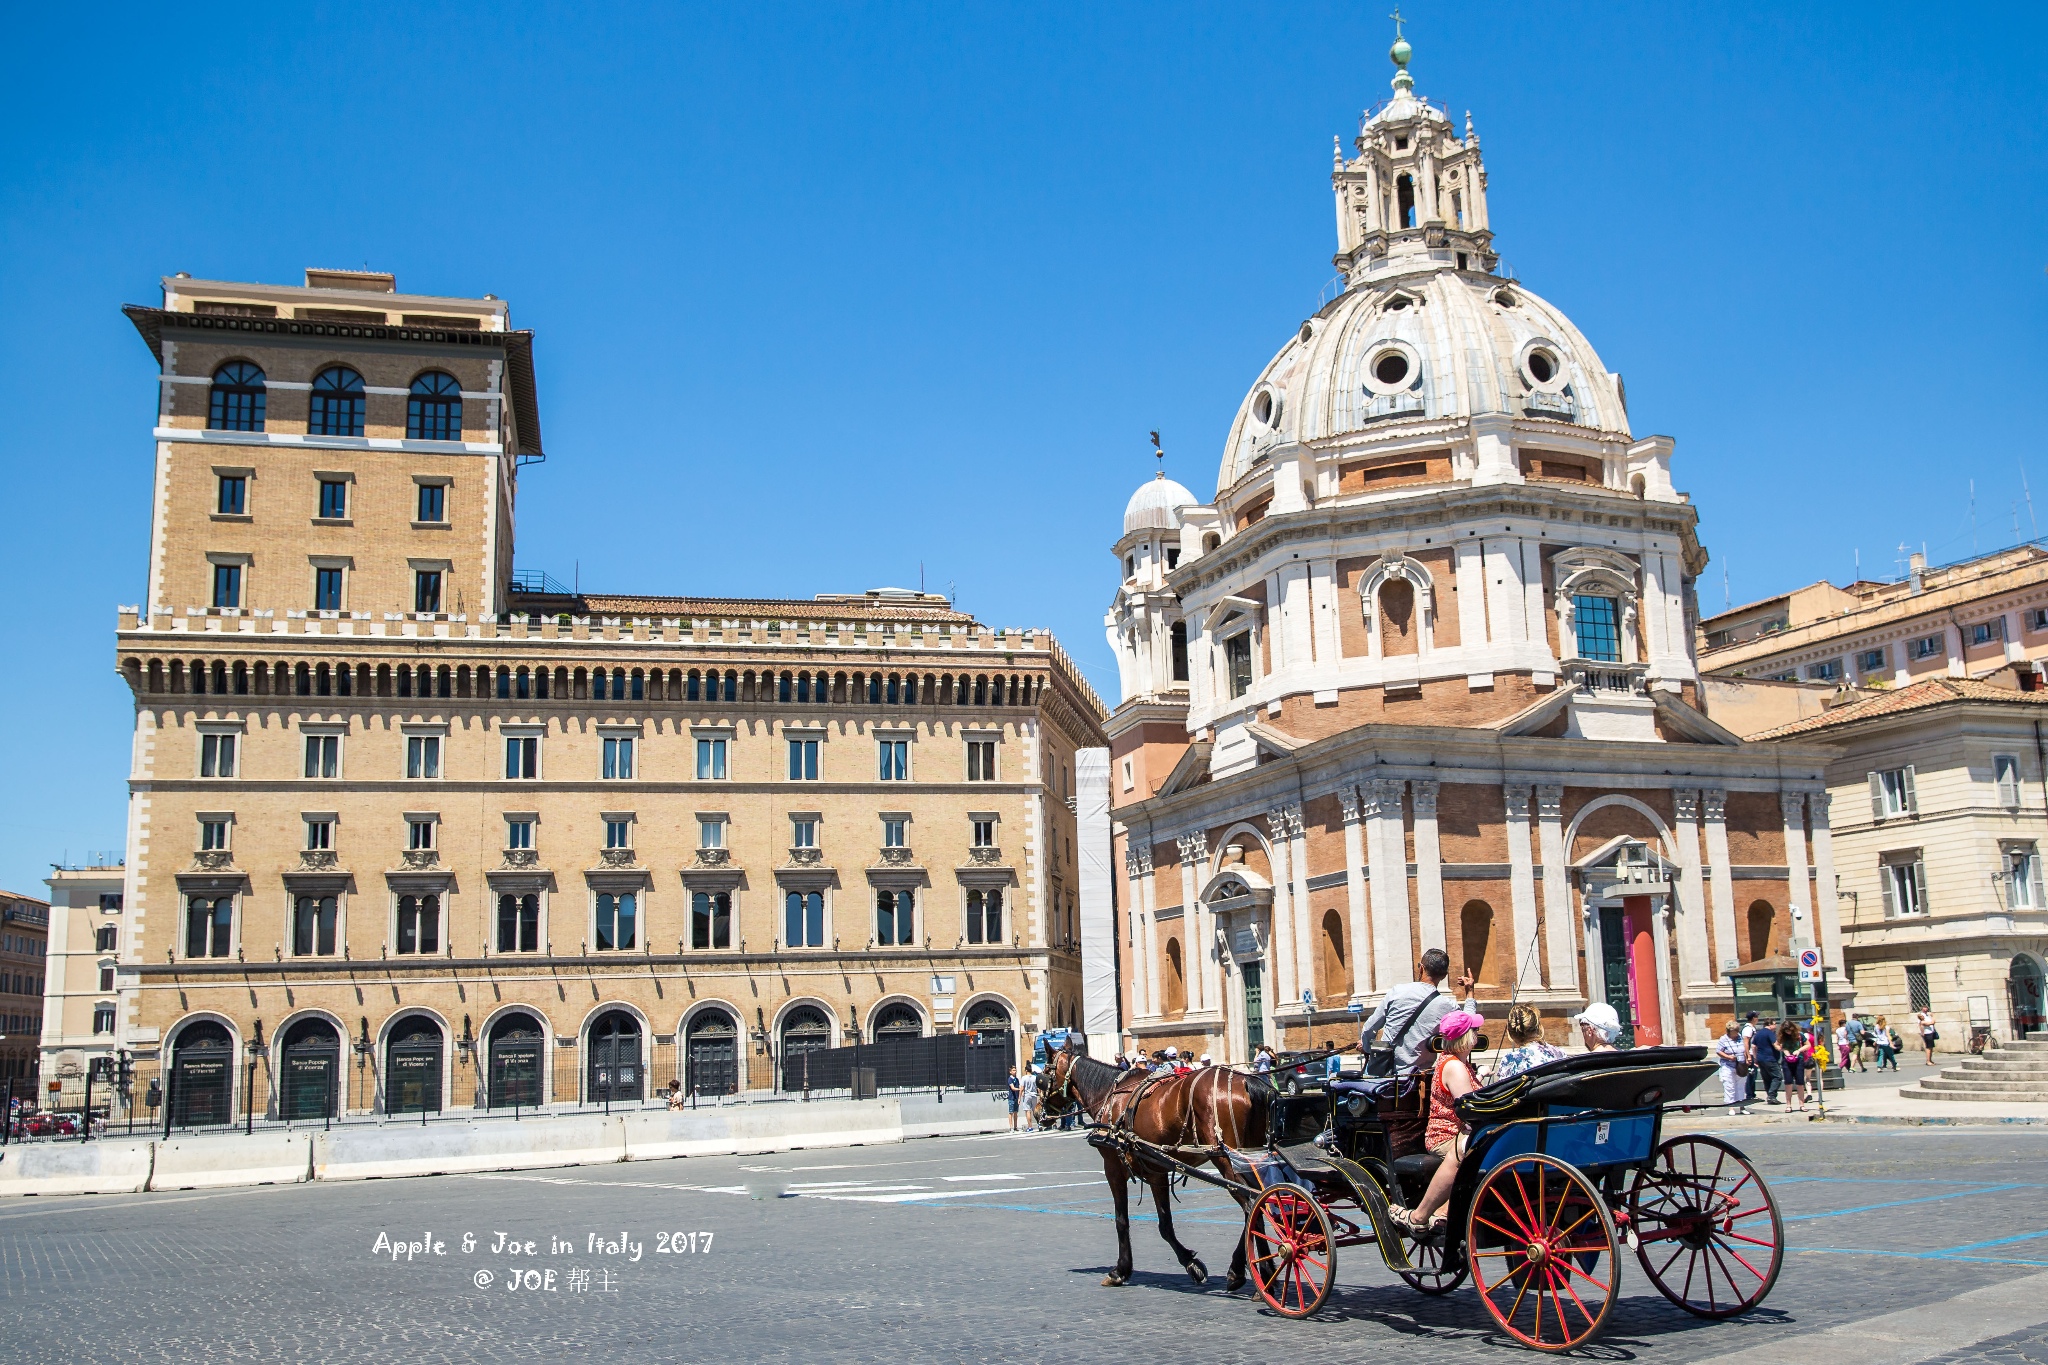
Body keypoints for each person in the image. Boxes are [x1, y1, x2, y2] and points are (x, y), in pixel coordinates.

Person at [1357, 948, 1478, 1159]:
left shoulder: (1397, 992)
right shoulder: (1446, 1005)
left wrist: (1367, 1048)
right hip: (1420, 1086)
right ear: (1443, 975)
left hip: (1388, 1083)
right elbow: (1466, 1025)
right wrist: (1470, 994)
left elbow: (1369, 1028)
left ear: (1420, 968)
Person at [1391, 1010, 1487, 1237]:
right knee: (1465, 1149)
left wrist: (1480, 1078)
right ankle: (1421, 1215)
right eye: (1475, 1030)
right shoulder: (1453, 1066)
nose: (1478, 1034)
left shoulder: (1460, 1064)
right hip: (1446, 1136)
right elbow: (1470, 1111)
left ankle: (1445, 1210)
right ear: (1465, 1037)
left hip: (1461, 1131)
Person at [1490, 1003, 1565, 1081]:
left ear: (1511, 1034)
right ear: (1539, 1027)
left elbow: (1505, 1091)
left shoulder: (1510, 1059)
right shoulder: (1559, 1053)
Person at [1714, 1020, 1751, 1115]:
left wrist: (1747, 1058)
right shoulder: (1723, 1039)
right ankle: (1731, 1107)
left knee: (1741, 1086)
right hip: (1728, 1065)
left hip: (1740, 1065)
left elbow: (1744, 1049)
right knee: (1729, 1086)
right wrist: (1728, 1057)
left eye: (1737, 1030)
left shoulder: (1740, 1038)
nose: (1736, 1033)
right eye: (1734, 1031)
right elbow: (1718, 1051)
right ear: (1729, 1031)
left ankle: (1742, 1107)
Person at [1748, 1014, 1784, 1104]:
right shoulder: (1769, 1033)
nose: (1775, 1026)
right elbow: (1775, 1045)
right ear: (1770, 1024)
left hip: (1761, 1059)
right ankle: (1771, 1095)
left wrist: (1756, 1058)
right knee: (1777, 1076)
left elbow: (1753, 1046)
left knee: (1767, 1078)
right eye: (1774, 1024)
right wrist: (1782, 1048)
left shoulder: (1759, 1033)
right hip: (1770, 1058)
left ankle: (1769, 1096)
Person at [1778, 1020, 1810, 1111]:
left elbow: (1808, 1045)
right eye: (1786, 1030)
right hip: (1787, 1060)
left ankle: (1802, 1104)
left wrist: (1799, 1050)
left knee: (1800, 1083)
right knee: (1788, 1083)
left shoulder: (1799, 1035)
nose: (1788, 1032)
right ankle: (1788, 1105)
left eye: (1790, 1030)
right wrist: (1784, 1050)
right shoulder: (1782, 1037)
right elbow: (1777, 1045)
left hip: (1798, 1059)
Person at [1005, 1065, 1021, 1131]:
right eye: (1013, 1070)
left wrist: (1019, 1097)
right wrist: (1019, 1089)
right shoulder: (1010, 1079)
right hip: (1011, 1098)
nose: (1015, 1072)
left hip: (1016, 1098)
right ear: (1010, 1072)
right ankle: (1011, 1127)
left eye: (1015, 1070)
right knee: (1011, 1112)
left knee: (1015, 1112)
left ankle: (1015, 1126)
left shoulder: (1017, 1079)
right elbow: (1012, 1088)